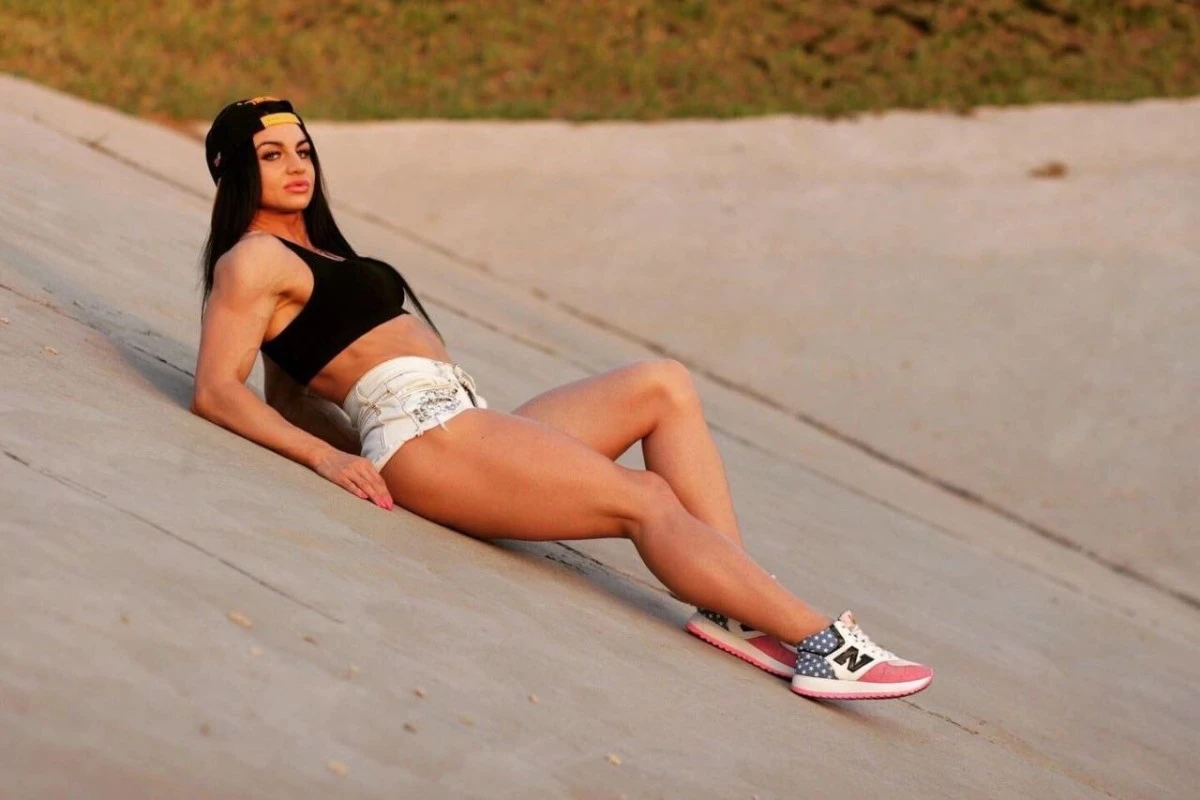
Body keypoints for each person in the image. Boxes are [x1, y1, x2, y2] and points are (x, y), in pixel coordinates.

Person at [190, 97, 933, 701]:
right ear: (235, 173)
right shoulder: (252, 260)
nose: (297, 166)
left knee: (663, 384)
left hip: (464, 422)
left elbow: (289, 389)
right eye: (271, 155)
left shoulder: (319, 251)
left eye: (303, 150)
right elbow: (219, 390)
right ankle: (819, 643)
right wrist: (329, 457)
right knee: (645, 498)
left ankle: (734, 604)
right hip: (423, 438)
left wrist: (346, 436)